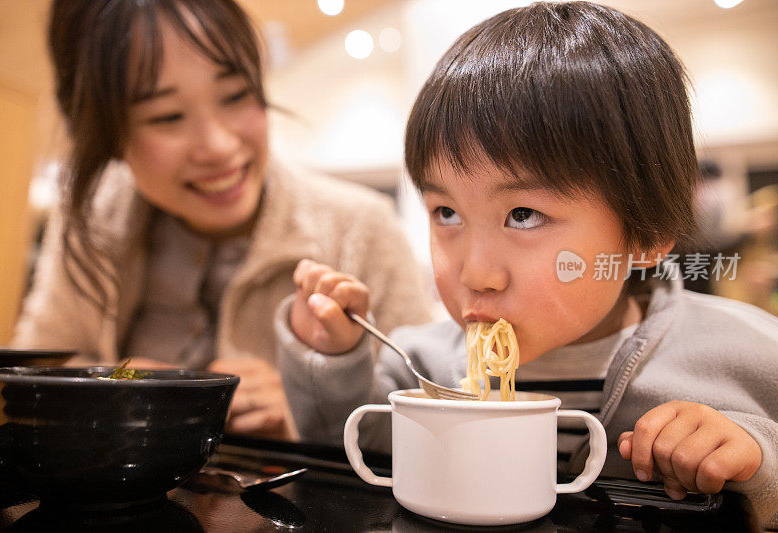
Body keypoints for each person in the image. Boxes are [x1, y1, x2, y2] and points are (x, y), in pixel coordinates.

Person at [274, 2, 778, 527]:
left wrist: (757, 456)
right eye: (446, 212)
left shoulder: (747, 356)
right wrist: (334, 359)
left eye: (523, 214)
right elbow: (346, 445)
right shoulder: (424, 364)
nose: (475, 274)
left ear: (646, 232)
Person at [13, 0, 431, 440]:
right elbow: (31, 370)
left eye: (235, 95)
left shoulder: (359, 228)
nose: (217, 145)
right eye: (167, 116)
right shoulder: (93, 216)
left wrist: (312, 411)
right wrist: (110, 380)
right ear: (106, 135)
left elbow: (429, 415)